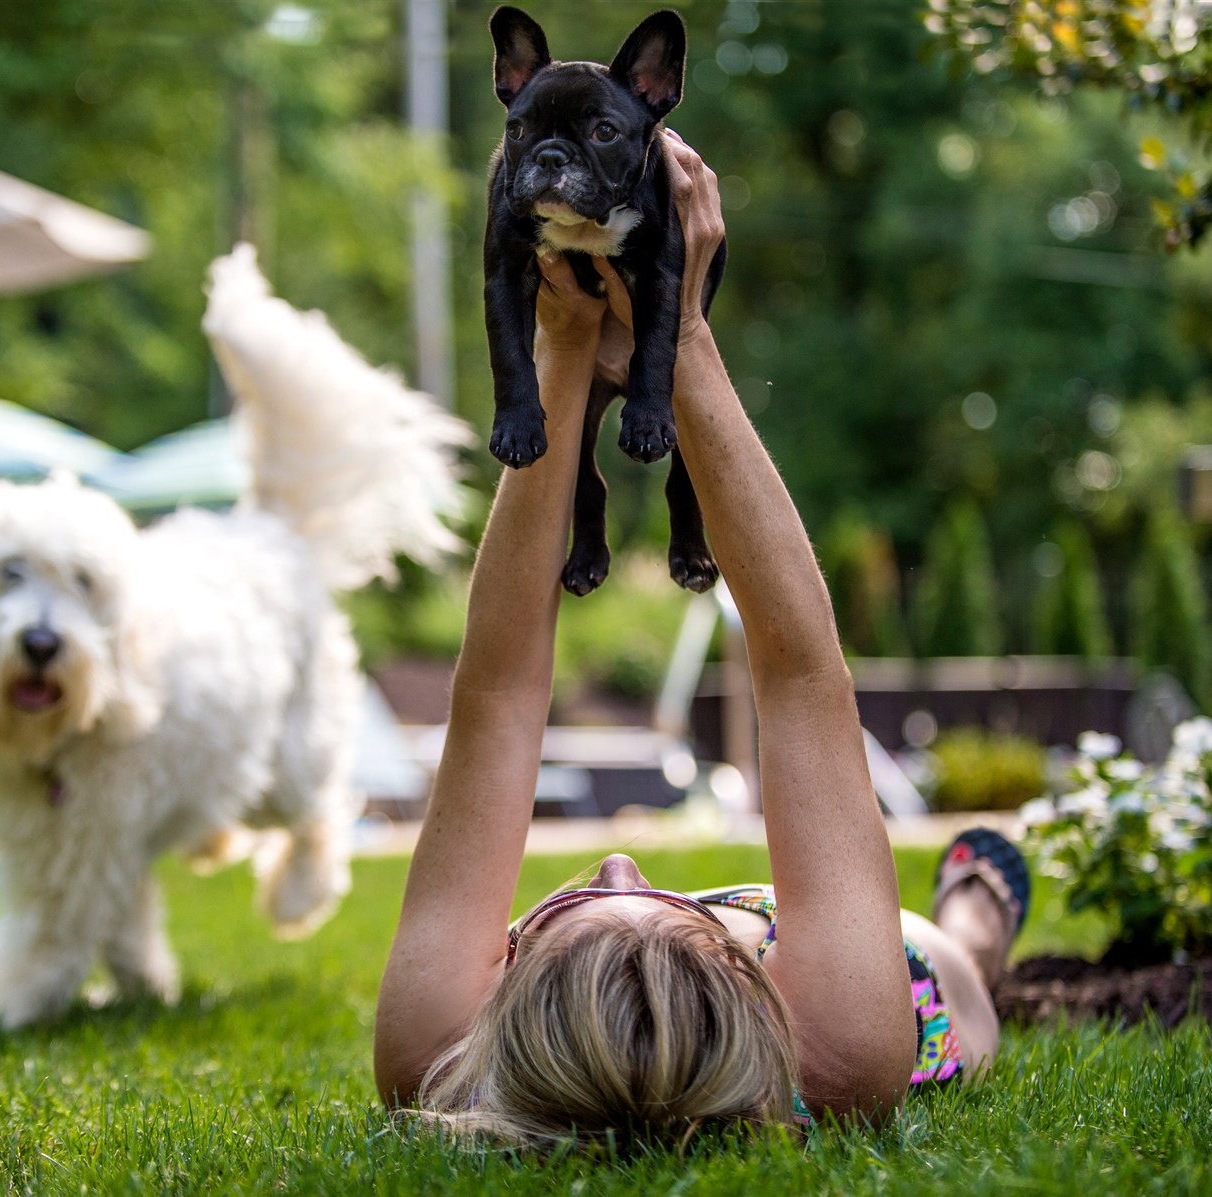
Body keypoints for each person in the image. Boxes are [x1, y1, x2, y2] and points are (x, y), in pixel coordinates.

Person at [373, 131, 1030, 1145]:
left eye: (561, 919)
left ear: (500, 1016)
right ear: (751, 981)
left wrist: (560, 344)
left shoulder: (436, 1053)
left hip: (670, 987)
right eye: (650, 899)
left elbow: (499, 693)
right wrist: (677, 336)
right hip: (905, 985)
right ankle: (982, 921)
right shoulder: (846, 1044)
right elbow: (801, 671)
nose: (625, 862)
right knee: (957, 949)